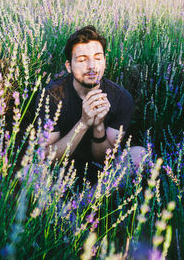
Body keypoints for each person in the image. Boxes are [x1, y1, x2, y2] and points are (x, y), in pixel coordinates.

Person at [36, 25, 145, 185]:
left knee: (141, 155)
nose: (92, 66)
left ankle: (80, 206)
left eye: (98, 58)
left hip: (100, 175)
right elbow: (47, 158)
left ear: (104, 62)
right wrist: (84, 123)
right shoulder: (51, 96)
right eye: (82, 60)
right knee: (30, 171)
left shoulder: (121, 98)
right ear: (69, 66)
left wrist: (98, 125)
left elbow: (104, 161)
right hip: (60, 169)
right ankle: (61, 206)